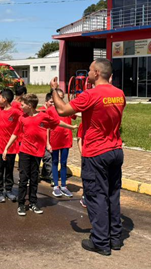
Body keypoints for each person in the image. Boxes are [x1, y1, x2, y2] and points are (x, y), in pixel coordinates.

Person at [50, 58, 126, 255]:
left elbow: (61, 110)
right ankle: (115, 238)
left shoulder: (90, 94)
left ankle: (101, 242)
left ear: (97, 74)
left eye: (90, 70)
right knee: (112, 195)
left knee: (96, 196)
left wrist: (54, 90)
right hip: (115, 149)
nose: (88, 74)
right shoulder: (119, 94)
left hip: (96, 152)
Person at [4, 94, 62, 216]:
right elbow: (15, 134)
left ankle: (33, 203)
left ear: (30, 106)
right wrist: (6, 148)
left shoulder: (42, 116)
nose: (20, 106)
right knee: (23, 179)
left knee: (34, 179)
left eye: (23, 104)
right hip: (24, 152)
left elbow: (57, 122)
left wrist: (71, 126)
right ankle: (21, 204)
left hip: (37, 153)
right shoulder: (22, 118)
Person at [46, 89, 78, 197]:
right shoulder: (50, 110)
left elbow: (75, 115)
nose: (60, 98)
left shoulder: (67, 108)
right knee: (55, 162)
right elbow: (47, 128)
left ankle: (63, 186)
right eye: (58, 96)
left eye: (62, 96)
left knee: (64, 163)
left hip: (66, 139)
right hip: (55, 140)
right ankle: (56, 186)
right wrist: (47, 142)